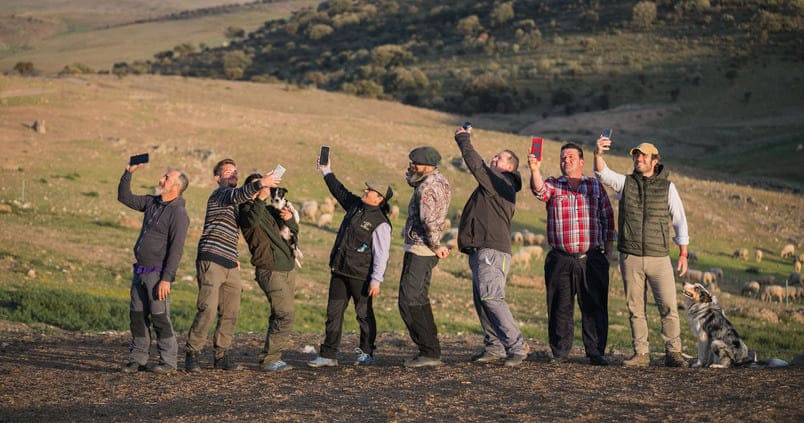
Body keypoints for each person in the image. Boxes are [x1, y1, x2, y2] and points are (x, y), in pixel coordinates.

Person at [593, 137, 690, 367]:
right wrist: (598, 154)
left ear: (655, 160)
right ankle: (641, 354)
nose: (638, 159)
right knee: (635, 308)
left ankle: (673, 353)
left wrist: (683, 253)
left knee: (668, 306)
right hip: (630, 256)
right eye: (636, 155)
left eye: (644, 155)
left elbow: (679, 220)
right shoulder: (625, 183)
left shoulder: (668, 187)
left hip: (659, 257)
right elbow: (603, 174)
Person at [185, 159, 281, 372]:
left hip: (230, 262)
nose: (233, 174)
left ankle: (221, 355)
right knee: (207, 309)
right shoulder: (219, 194)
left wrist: (262, 192)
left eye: (235, 171)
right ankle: (192, 352)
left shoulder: (237, 202)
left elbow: (247, 209)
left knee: (231, 311)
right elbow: (237, 194)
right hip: (211, 258)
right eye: (228, 172)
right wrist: (260, 183)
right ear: (218, 178)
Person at [528, 143, 616, 366]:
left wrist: (609, 251)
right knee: (560, 305)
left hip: (592, 257)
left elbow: (608, 217)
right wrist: (534, 169)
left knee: (594, 305)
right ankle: (560, 352)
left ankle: (596, 351)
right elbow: (539, 191)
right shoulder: (553, 185)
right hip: (561, 257)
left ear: (582, 162)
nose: (566, 160)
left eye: (570, 157)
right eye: (562, 157)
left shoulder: (595, 187)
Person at [307, 153, 392, 368]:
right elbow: (339, 190)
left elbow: (382, 253)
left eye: (369, 190)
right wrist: (326, 171)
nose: (365, 191)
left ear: (379, 198)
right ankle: (328, 355)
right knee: (333, 313)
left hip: (361, 276)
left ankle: (366, 353)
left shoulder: (381, 223)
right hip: (340, 270)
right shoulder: (355, 205)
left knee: (363, 315)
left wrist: (376, 279)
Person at [453, 126, 528, 367]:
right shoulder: (496, 184)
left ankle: (517, 347)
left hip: (492, 250)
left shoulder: (502, 183)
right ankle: (494, 346)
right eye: (495, 156)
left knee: (492, 298)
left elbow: (476, 166)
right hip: (481, 249)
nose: (494, 159)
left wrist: (463, 139)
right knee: (483, 301)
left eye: (500, 157)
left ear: (510, 167)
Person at [117, 162, 190, 374]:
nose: (160, 180)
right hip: (139, 271)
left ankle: (168, 361)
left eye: (166, 178)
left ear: (175, 186)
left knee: (159, 318)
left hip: (158, 276)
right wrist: (128, 173)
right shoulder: (152, 202)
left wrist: (166, 279)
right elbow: (125, 197)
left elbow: (176, 250)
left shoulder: (179, 214)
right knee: (137, 316)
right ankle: (138, 359)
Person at [238, 173, 299, 372]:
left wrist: (289, 220)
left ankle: (270, 356)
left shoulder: (268, 210)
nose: (264, 190)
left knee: (278, 314)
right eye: (258, 186)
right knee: (285, 314)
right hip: (269, 269)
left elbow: (292, 233)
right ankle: (271, 359)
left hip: (287, 268)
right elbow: (251, 223)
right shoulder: (246, 210)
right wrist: (260, 197)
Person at [399, 146, 451, 368]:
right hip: (424, 249)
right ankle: (430, 349)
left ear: (427, 166)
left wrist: (436, 245)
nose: (411, 166)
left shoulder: (427, 187)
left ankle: (428, 351)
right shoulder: (437, 180)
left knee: (408, 301)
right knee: (419, 299)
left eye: (415, 163)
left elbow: (429, 220)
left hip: (421, 249)